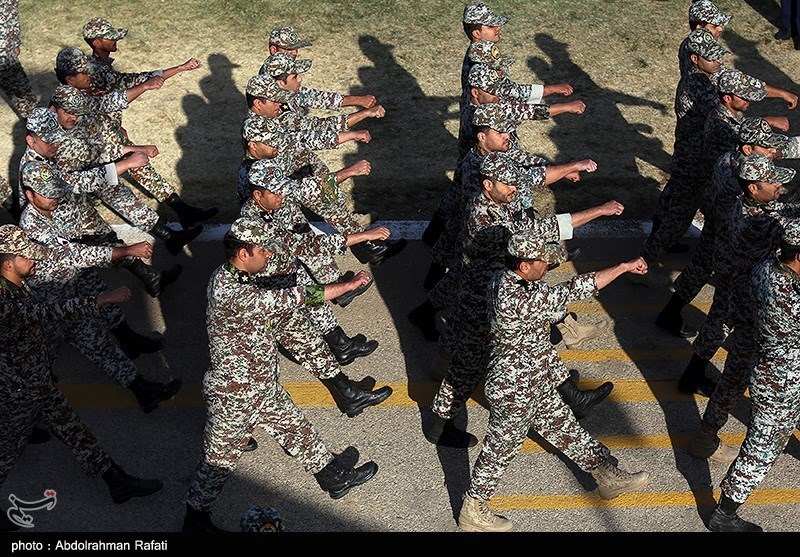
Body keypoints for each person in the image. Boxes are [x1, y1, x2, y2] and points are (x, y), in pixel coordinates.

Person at [182, 218, 381, 532]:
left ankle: (334, 477)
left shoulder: (236, 274)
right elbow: (296, 297)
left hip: (259, 386)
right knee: (218, 462)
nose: (268, 254)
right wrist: (347, 285)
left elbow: (283, 286)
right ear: (243, 253)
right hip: (235, 394)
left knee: (297, 430)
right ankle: (194, 521)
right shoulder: (234, 292)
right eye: (261, 249)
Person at [457, 233, 651, 532]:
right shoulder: (520, 297)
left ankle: (605, 474)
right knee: (499, 450)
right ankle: (473, 508)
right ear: (523, 266)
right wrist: (623, 266)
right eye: (541, 261)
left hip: (535, 379)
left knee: (565, 427)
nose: (547, 264)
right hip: (514, 389)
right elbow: (578, 287)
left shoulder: (508, 276)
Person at [425, 152, 621, 448]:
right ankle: (438, 426)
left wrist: (572, 168)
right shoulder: (487, 219)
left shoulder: (500, 197)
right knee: (467, 367)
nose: (514, 190)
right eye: (508, 185)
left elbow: (534, 182)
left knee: (534, 345)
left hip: (496, 295)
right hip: (485, 305)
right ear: (488, 184)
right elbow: (542, 230)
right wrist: (598, 211)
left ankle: (573, 397)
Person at [0, 224, 163, 532]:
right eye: (27, 258)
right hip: (19, 393)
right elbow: (45, 314)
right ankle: (116, 480)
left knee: (75, 432)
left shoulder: (17, 286)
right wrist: (99, 301)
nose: (34, 262)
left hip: (38, 384)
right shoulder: (4, 301)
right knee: (6, 452)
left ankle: (117, 481)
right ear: (8, 263)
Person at [18, 160, 182, 410]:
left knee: (98, 344)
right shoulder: (32, 228)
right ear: (29, 194)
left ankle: (142, 390)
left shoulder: (51, 207)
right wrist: (124, 251)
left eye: (54, 191)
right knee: (32, 370)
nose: (54, 197)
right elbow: (73, 254)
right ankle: (20, 420)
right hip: (48, 312)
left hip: (68, 297)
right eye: (46, 193)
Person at [689, 154, 800, 464]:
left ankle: (705, 436)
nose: (780, 184)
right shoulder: (763, 224)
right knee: (744, 379)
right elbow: (789, 224)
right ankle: (708, 437)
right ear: (753, 187)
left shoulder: (749, 207)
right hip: (765, 316)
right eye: (772, 181)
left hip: (748, 307)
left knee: (734, 378)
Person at [55, 46, 218, 229]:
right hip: (89, 155)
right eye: (84, 72)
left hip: (101, 145)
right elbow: (106, 103)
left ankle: (178, 219)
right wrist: (146, 86)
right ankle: (169, 228)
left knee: (137, 169)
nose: (89, 75)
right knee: (113, 190)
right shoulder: (69, 97)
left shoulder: (78, 88)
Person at [706, 220, 800, 532]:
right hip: (781, 385)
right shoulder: (791, 301)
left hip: (774, 368)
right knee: (761, 450)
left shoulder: (765, 269)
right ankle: (725, 514)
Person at [631, 28, 725, 289]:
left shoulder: (702, 79)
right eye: (712, 57)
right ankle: (644, 263)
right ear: (695, 59)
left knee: (673, 201)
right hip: (695, 162)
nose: (718, 62)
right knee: (680, 215)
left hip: (692, 157)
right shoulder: (699, 86)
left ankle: (660, 242)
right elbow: (725, 117)